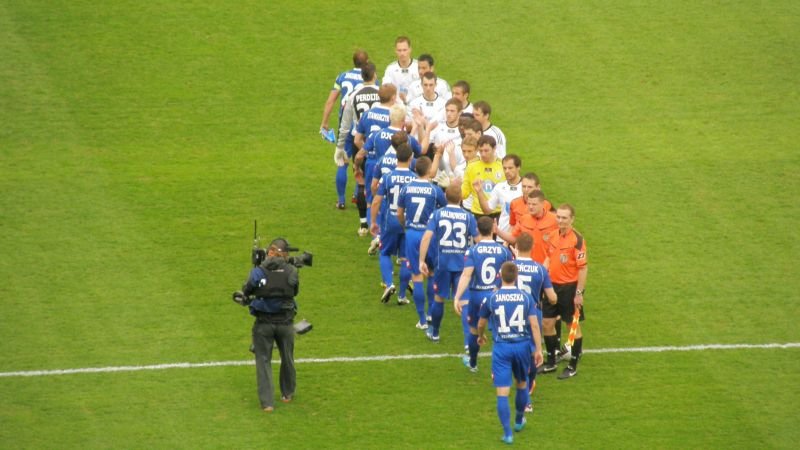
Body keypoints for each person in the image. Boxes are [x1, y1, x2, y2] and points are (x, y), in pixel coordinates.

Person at [477, 261, 543, 444]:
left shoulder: (492, 298)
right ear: (516, 277)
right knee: (522, 384)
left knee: (502, 392)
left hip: (502, 348)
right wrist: (538, 349)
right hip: (522, 347)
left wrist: (481, 336)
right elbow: (534, 325)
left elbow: (481, 323)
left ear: (500, 276)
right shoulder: (526, 298)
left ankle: (507, 434)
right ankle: (519, 420)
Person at [233, 238, 300, 412]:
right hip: (285, 323)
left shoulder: (258, 271)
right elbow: (294, 291)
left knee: (263, 361)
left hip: (264, 324)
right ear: (284, 254)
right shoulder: (292, 271)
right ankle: (288, 394)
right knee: (287, 357)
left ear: (269, 252)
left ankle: (267, 403)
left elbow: (246, 290)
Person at [419, 184, 478, 344]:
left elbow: (427, 237)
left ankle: (435, 333)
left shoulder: (437, 214)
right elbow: (478, 240)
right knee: (464, 302)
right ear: (461, 198)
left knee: (439, 298)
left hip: (442, 263)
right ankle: (468, 343)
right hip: (462, 265)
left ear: (445, 196)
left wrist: (421, 260)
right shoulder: (468, 216)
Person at [454, 216, 513, 372]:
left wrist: (457, 297)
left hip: (477, 296)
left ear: (478, 230)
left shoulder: (473, 251)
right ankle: (503, 366)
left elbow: (466, 275)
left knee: (474, 330)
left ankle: (473, 363)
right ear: (493, 229)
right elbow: (511, 275)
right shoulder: (504, 251)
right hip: (497, 296)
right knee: (501, 332)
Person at [397, 155, 446, 329]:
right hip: (430, 235)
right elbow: (445, 210)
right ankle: (431, 313)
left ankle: (422, 320)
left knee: (417, 276)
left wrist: (406, 226)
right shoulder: (435, 190)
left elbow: (399, 213)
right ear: (429, 170)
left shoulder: (406, 188)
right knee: (431, 273)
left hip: (412, 234)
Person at [542, 204, 588, 379]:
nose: (560, 220)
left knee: (572, 327)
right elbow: (548, 257)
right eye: (558, 217)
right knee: (547, 323)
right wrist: (542, 275)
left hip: (569, 288)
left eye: (564, 218)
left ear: (572, 219)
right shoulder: (553, 235)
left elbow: (583, 269)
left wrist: (579, 293)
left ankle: (572, 366)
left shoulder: (577, 240)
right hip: (551, 286)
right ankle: (551, 362)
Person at [512, 232, 557, 413]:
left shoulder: (509, 266)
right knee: (532, 352)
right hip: (533, 313)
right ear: (532, 247)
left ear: (516, 247)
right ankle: (528, 392)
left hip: (511, 312)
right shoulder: (540, 269)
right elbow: (552, 297)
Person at [322, 50, 370, 209]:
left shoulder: (342, 77)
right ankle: (357, 194)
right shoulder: (370, 78)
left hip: (345, 124)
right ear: (367, 62)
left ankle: (341, 201)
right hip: (362, 127)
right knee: (361, 160)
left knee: (342, 162)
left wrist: (325, 123)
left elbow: (330, 101)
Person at [370, 143, 417, 304]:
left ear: (396, 157)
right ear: (411, 158)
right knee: (405, 258)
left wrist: (373, 221)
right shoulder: (415, 178)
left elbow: (377, 201)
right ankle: (402, 296)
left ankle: (389, 284)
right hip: (408, 222)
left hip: (390, 221)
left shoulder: (388, 177)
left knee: (384, 252)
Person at [335, 62, 381, 223]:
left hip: (359, 143)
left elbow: (345, 124)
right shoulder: (382, 93)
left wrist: (340, 146)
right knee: (378, 181)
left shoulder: (353, 95)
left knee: (361, 181)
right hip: (379, 142)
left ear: (362, 77)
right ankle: (376, 220)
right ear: (374, 75)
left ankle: (363, 223)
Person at [496, 190, 558, 264]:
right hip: (527, 265)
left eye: (534, 204)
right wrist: (497, 231)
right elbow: (513, 238)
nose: (530, 207)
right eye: (529, 204)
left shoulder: (554, 220)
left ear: (542, 204)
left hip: (546, 266)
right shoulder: (524, 219)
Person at [473, 154, 523, 234]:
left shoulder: (526, 186)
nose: (507, 171)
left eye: (510, 168)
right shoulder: (499, 187)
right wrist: (479, 192)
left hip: (521, 236)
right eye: (504, 168)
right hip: (502, 235)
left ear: (518, 168)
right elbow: (487, 210)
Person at [461, 135, 504, 219]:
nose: (483, 154)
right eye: (481, 151)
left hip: (498, 212)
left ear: (494, 148)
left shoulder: (503, 165)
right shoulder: (471, 166)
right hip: (478, 213)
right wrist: (453, 187)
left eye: (486, 150)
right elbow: (464, 193)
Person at [382, 36, 418, 103]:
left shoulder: (418, 67)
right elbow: (385, 87)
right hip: (397, 105)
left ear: (410, 49)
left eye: (404, 50)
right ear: (395, 51)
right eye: (399, 50)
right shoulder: (390, 69)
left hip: (415, 105)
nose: (402, 53)